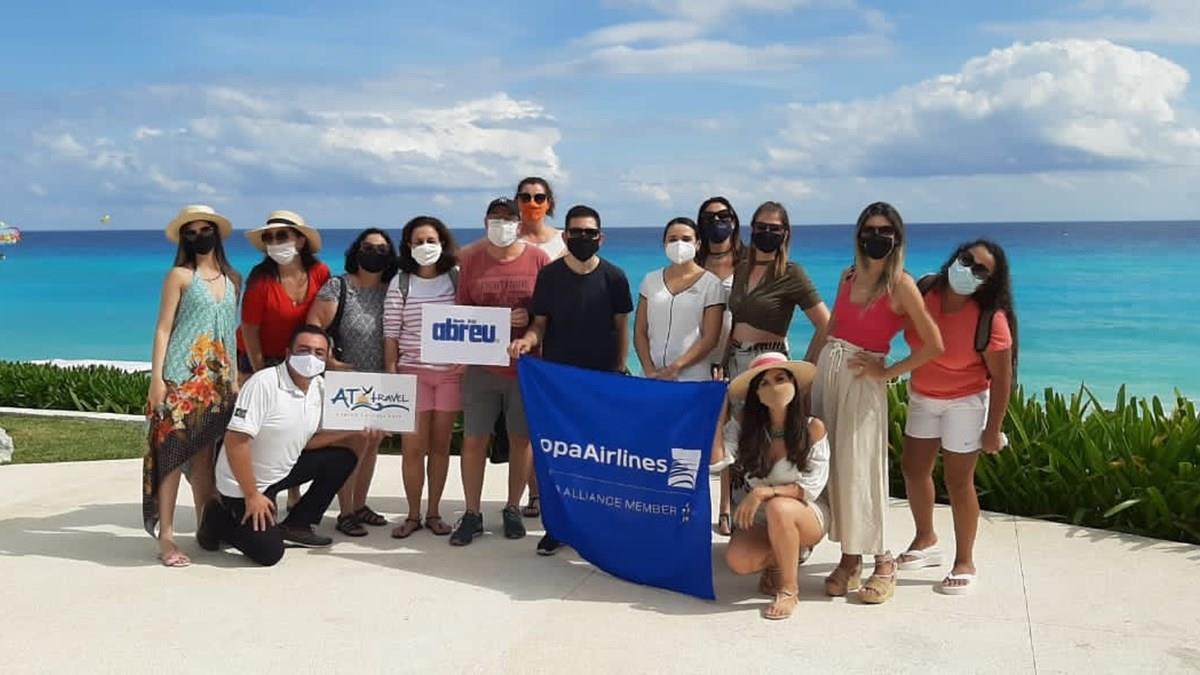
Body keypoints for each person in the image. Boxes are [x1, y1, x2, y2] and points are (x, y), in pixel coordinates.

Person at [810, 201, 943, 605]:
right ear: (858, 235)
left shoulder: (900, 284)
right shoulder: (847, 275)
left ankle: (883, 560)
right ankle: (850, 559)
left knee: (862, 469)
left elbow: (934, 344)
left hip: (862, 379)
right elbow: (832, 327)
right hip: (829, 371)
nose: (877, 237)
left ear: (897, 238)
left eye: (886, 231)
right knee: (834, 467)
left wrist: (888, 372)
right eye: (870, 230)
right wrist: (806, 372)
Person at [197, 325, 383, 566]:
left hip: (281, 471)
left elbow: (307, 442)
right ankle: (217, 519)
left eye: (319, 353)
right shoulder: (264, 383)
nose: (311, 357)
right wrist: (252, 495)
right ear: (288, 353)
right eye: (304, 350)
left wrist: (354, 430)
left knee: (342, 458)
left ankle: (298, 524)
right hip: (244, 483)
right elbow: (236, 442)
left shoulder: (319, 388)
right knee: (270, 552)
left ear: (326, 358)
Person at [510, 204, 634, 556]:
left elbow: (621, 326)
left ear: (601, 238)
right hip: (558, 382)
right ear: (565, 236)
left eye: (589, 233)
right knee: (560, 457)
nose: (583, 238)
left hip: (601, 381)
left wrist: (620, 368)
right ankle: (558, 527)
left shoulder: (615, 277)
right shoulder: (550, 276)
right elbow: (539, 325)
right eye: (576, 232)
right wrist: (526, 341)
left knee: (600, 455)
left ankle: (599, 523)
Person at [897, 240, 1016, 595]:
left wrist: (993, 429)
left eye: (981, 270)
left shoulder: (990, 319)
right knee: (913, 469)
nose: (969, 270)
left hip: (965, 402)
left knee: (958, 480)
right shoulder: (925, 290)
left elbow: (1002, 378)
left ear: (990, 282)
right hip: (923, 395)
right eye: (967, 260)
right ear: (955, 257)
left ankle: (965, 561)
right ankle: (925, 540)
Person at [719, 201, 830, 536]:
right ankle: (737, 514)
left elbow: (825, 323)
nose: (766, 233)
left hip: (769, 364)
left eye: (774, 228)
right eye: (760, 227)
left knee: (772, 437)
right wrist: (722, 361)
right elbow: (734, 321)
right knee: (740, 437)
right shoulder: (741, 268)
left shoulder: (791, 273)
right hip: (736, 361)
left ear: (785, 233)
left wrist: (805, 368)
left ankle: (789, 521)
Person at [450, 198, 550, 546]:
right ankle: (472, 512)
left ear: (519, 224)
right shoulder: (471, 260)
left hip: (526, 366)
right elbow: (462, 312)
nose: (502, 224)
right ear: (485, 222)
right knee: (474, 439)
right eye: (495, 218)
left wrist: (529, 322)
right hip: (481, 366)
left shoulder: (538, 259)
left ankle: (512, 507)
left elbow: (545, 316)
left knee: (521, 439)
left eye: (508, 218)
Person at [144, 205, 240, 567]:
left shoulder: (234, 279)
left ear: (216, 233)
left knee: (205, 457)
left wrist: (234, 379)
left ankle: (206, 525)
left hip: (218, 381)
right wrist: (157, 379)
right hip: (181, 378)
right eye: (191, 232)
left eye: (205, 230)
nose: (199, 237)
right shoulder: (179, 276)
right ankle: (166, 537)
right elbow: (163, 328)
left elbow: (230, 332)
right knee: (171, 455)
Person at [713, 352, 829, 620]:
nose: (774, 386)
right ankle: (781, 558)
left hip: (805, 510)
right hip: (763, 515)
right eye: (764, 383)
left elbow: (811, 488)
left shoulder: (812, 427)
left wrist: (766, 491)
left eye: (780, 379)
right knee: (740, 560)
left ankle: (789, 590)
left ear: (794, 384)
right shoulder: (745, 428)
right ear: (756, 394)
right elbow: (717, 462)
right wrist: (719, 414)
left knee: (779, 507)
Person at [306, 228, 398, 537]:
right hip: (346, 381)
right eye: (368, 247)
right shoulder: (338, 286)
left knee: (371, 444)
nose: (374, 253)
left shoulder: (393, 290)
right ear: (356, 251)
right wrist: (329, 361)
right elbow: (314, 326)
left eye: (382, 249)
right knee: (349, 445)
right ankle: (345, 512)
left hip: (382, 381)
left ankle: (360, 504)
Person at [383, 216, 462, 538]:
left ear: (442, 242)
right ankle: (413, 515)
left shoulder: (456, 278)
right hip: (412, 374)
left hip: (450, 377)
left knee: (441, 447)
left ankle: (434, 513)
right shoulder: (401, 282)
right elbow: (391, 332)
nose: (425, 246)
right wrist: (392, 374)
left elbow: (471, 322)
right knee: (413, 449)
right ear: (408, 245)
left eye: (431, 240)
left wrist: (467, 360)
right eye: (418, 241)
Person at [514, 176, 565, 519]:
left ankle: (559, 492)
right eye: (525, 196)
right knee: (527, 428)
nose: (532, 202)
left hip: (560, 343)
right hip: (519, 346)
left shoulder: (564, 240)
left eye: (539, 197)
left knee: (556, 427)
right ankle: (534, 493)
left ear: (549, 203)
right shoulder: (507, 239)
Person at [697, 196, 745, 536]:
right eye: (709, 217)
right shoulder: (693, 262)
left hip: (738, 356)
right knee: (704, 432)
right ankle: (699, 504)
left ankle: (728, 507)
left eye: (724, 215)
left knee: (734, 432)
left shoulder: (748, 262)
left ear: (734, 220)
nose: (717, 222)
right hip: (700, 355)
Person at [237, 210, 330, 378]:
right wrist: (260, 374)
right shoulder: (260, 280)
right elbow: (249, 330)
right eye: (268, 238)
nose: (274, 242)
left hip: (302, 357)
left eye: (281, 236)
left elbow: (327, 317)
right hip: (259, 358)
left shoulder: (320, 272)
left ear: (301, 241)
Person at [634, 216, 725, 381]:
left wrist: (676, 367)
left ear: (698, 244)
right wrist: (648, 369)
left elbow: (710, 338)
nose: (679, 244)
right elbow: (640, 331)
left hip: (692, 378)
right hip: (651, 377)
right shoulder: (650, 280)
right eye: (673, 239)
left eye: (686, 239)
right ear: (664, 244)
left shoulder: (711, 284)